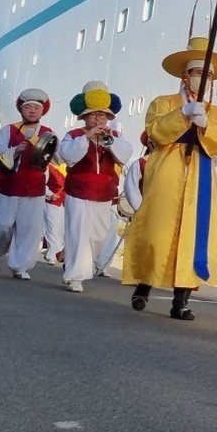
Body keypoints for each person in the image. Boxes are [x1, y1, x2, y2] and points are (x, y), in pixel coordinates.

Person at [122, 37, 217, 320]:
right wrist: (182, 114)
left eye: (208, 75)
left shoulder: (216, 112)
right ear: (186, 76)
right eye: (199, 73)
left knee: (193, 234)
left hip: (200, 170)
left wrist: (205, 126)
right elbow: (155, 132)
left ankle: (181, 300)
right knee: (158, 229)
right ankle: (144, 283)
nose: (204, 79)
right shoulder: (163, 103)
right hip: (168, 168)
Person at [59, 82, 131, 293]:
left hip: (104, 193)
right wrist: (87, 138)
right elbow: (69, 157)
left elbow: (124, 156)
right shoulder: (73, 135)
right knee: (78, 233)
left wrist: (108, 142)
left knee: (97, 236)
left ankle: (78, 267)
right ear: (84, 117)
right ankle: (74, 276)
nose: (98, 119)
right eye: (93, 115)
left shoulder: (115, 137)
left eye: (102, 115)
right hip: (79, 191)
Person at [0, 88, 54, 280]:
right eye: (28, 107)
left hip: (35, 189)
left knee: (29, 230)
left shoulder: (48, 133)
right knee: (2, 227)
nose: (32, 111)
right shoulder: (9, 130)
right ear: (21, 110)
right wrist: (15, 150)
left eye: (36, 108)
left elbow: (56, 157)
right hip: (10, 187)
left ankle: (20, 265)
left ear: (42, 111)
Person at [41, 156, 66, 264]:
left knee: (60, 230)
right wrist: (49, 195)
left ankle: (53, 253)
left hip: (64, 202)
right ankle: (51, 254)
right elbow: (42, 184)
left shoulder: (66, 167)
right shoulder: (48, 167)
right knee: (53, 228)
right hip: (52, 202)